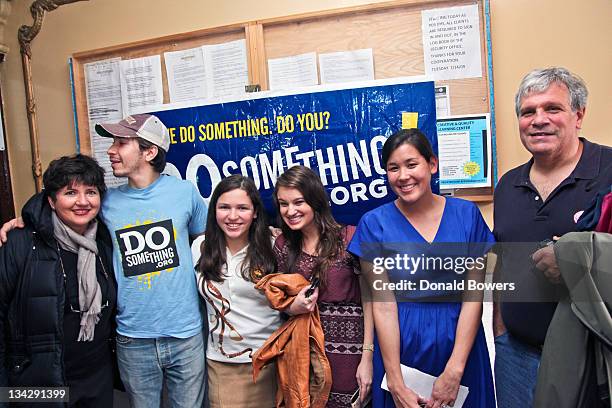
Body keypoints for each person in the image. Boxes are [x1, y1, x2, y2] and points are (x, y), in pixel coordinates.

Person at [0, 114, 208, 407]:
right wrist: (27, 219)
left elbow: (209, 242)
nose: (111, 150)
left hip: (184, 334)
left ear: (149, 152)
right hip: (131, 339)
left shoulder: (185, 193)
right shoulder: (105, 202)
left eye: (121, 143)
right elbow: (61, 205)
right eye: (113, 143)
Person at [348, 129, 496, 408]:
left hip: (461, 349)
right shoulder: (373, 224)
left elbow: (473, 295)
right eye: (393, 168)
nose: (403, 176)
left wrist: (455, 369)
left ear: (432, 164)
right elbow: (383, 305)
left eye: (411, 164)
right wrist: (394, 380)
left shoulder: (467, 215)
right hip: (401, 352)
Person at [492, 67, 612, 408]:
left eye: (552, 109)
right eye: (528, 112)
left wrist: (575, 260)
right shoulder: (507, 186)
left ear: (579, 115)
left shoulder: (608, 171)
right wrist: (501, 333)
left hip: (591, 356)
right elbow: (503, 263)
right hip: (516, 355)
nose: (538, 120)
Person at [0, 155, 116, 407]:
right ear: (51, 201)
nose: (83, 202)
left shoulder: (105, 243)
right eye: (71, 193)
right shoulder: (21, 243)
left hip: (97, 380)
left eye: (91, 192)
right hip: (39, 383)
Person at [273, 165, 373, 408]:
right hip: (302, 359)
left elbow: (372, 300)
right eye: (283, 204)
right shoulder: (283, 245)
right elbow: (276, 298)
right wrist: (290, 306)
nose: (290, 210)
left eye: (298, 202)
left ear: (316, 200)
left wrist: (368, 357)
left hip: (350, 359)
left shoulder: (350, 237)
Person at [191, 175, 281, 407]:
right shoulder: (199, 248)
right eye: (224, 207)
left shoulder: (274, 247)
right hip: (222, 365)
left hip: (271, 361)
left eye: (242, 208)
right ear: (214, 211)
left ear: (255, 213)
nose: (232, 216)